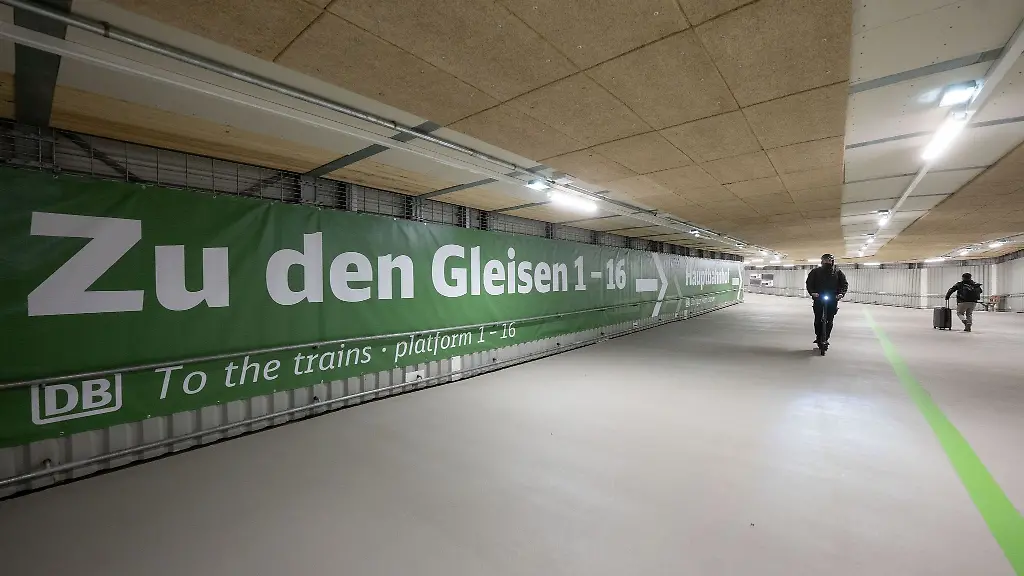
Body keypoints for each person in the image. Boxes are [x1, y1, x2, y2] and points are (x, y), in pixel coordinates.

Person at [805, 253, 849, 346]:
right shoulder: (815, 272)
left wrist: (841, 293)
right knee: (818, 319)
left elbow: (844, 284)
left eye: (829, 260)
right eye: (825, 260)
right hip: (819, 297)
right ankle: (818, 336)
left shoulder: (837, 272)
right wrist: (812, 292)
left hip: (833, 298)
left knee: (830, 319)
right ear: (822, 261)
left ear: (832, 261)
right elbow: (809, 283)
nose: (827, 262)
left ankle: (826, 337)